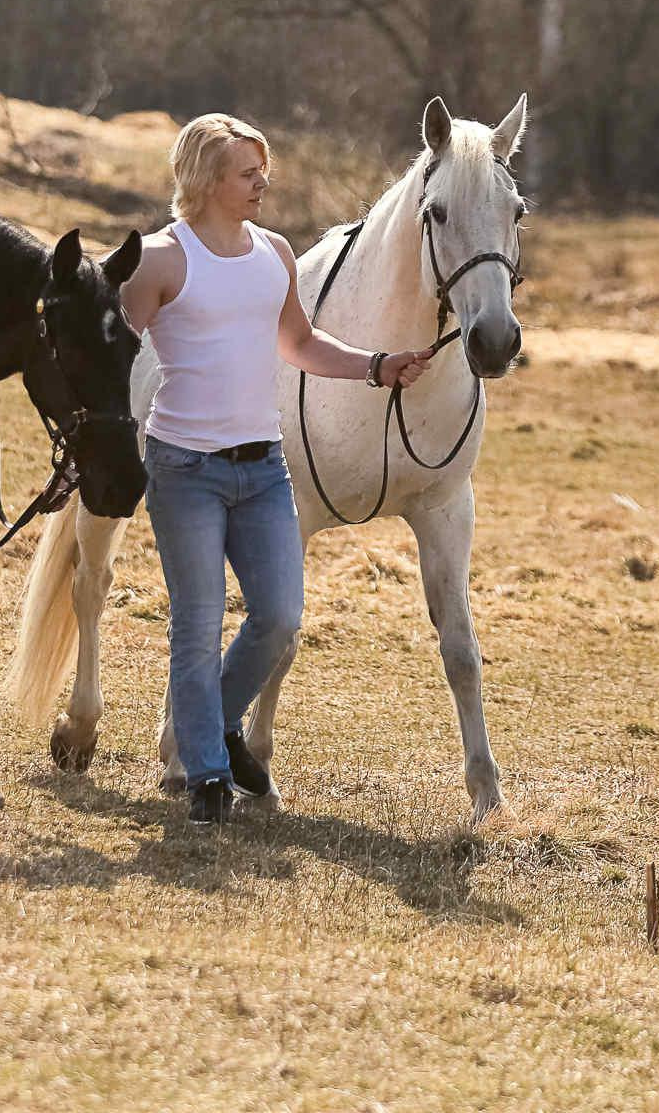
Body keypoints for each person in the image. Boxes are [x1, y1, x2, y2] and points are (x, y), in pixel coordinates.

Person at [116, 114, 434, 825]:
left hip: (262, 470)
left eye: (264, 169)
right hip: (184, 470)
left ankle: (217, 729)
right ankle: (205, 776)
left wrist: (376, 367)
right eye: (246, 172)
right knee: (196, 626)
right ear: (205, 179)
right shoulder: (162, 261)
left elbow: (299, 341)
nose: (264, 182)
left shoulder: (275, 254)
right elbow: (110, 357)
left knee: (280, 618)